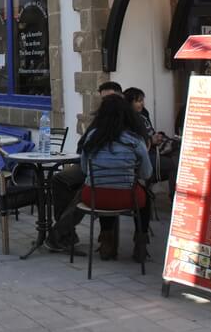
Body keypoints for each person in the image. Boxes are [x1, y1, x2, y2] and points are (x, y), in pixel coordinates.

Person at [47, 81, 124, 251]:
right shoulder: (100, 120)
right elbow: (83, 145)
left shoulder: (127, 120)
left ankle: (59, 233)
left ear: (120, 97)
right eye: (103, 100)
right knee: (59, 179)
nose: (106, 104)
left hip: (110, 172)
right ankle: (67, 232)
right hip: (87, 165)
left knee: (87, 188)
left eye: (109, 99)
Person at [77, 93, 154, 262]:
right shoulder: (135, 139)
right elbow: (146, 174)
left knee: (104, 189)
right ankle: (140, 245)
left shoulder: (92, 137)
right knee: (146, 198)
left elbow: (84, 169)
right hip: (126, 198)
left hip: (94, 197)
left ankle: (107, 243)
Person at [124, 87, 176, 194]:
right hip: (143, 155)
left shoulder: (143, 113)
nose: (142, 104)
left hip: (152, 149)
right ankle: (174, 199)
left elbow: (149, 132)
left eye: (142, 100)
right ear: (129, 103)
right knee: (174, 165)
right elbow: (135, 143)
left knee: (178, 155)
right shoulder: (128, 119)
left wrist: (156, 137)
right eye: (138, 101)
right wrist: (151, 141)